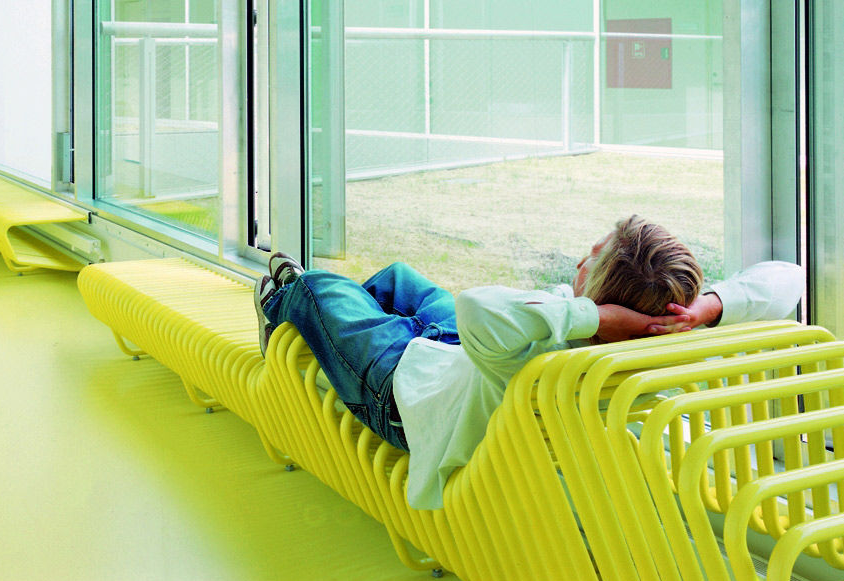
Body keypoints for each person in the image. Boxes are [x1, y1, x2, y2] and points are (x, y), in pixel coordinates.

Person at [254, 215, 803, 511]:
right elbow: (789, 279)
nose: (582, 257)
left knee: (323, 289)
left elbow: (477, 308)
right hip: (458, 359)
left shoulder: (550, 353)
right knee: (400, 278)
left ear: (596, 294)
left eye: (592, 254)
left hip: (403, 390)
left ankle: (282, 302)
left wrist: (590, 316)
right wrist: (710, 308)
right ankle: (360, 312)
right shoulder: (662, 340)